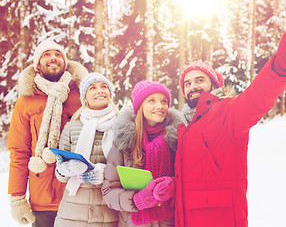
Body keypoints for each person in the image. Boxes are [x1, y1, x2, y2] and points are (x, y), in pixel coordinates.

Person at [175, 9, 286, 227]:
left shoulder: (228, 113)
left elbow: (260, 95)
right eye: (187, 83)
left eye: (199, 80)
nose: (192, 86)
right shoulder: (182, 128)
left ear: (214, 85)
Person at [7, 39, 88, 227]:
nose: (53, 58)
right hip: (42, 199)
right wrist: (17, 198)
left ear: (65, 62)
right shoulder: (25, 102)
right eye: (47, 54)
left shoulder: (82, 96)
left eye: (58, 54)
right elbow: (19, 152)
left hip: (78, 192)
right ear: (37, 64)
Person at [102, 81, 181, 226]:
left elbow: (187, 179)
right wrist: (136, 200)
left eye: (164, 101)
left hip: (169, 222)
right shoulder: (123, 141)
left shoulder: (177, 139)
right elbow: (108, 191)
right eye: (152, 100)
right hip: (133, 223)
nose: (160, 106)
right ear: (140, 106)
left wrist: (172, 185)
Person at [53, 73, 119, 226]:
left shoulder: (121, 126)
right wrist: (66, 168)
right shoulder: (72, 126)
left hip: (108, 213)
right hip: (72, 213)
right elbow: (60, 174)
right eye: (93, 88)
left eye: (104, 87)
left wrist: (107, 173)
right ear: (85, 97)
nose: (100, 90)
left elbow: (129, 166)